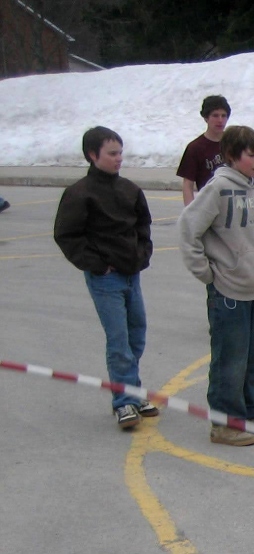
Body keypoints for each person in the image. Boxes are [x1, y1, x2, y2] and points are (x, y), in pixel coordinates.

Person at [177, 125, 254, 447]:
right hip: (226, 289)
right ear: (233, 156)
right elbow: (188, 228)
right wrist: (207, 273)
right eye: (251, 154)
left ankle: (251, 410)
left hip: (253, 285)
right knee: (230, 358)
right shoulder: (218, 188)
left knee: (253, 356)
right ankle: (224, 423)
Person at [53, 126, 157, 428]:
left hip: (131, 276)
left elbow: (143, 227)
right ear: (92, 155)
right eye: (112, 154)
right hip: (105, 280)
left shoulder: (130, 190)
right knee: (119, 341)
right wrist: (97, 265)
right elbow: (67, 235)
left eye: (120, 152)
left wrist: (141, 256)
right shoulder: (79, 194)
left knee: (136, 335)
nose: (119, 159)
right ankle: (123, 402)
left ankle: (133, 392)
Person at [176, 95, 231, 206]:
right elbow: (188, 184)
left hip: (233, 205)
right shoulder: (195, 148)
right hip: (208, 205)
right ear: (206, 118)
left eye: (223, 116)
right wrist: (190, 213)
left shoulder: (234, 142)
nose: (220, 120)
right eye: (215, 116)